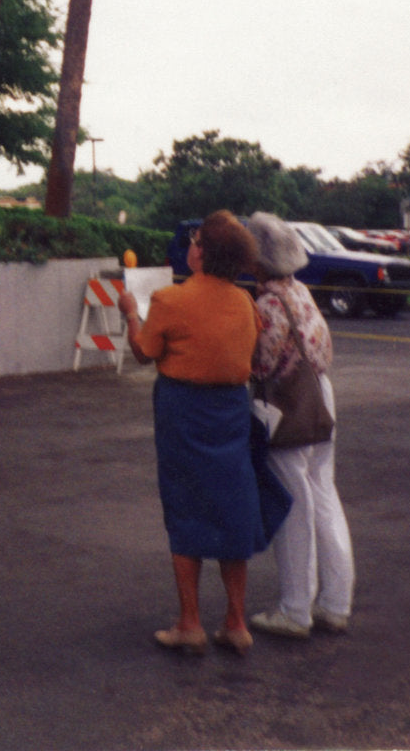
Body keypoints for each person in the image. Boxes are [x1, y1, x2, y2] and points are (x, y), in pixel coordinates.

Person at [118, 210, 278, 656]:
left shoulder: (171, 300)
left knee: (185, 506)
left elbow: (144, 353)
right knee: (233, 507)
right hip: (230, 413)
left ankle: (189, 622)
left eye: (196, 241)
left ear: (201, 253)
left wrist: (131, 314)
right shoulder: (245, 303)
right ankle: (236, 621)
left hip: (183, 412)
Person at [243, 211, 355, 638]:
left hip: (288, 402)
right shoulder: (302, 292)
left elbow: (261, 364)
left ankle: (295, 609)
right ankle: (335, 602)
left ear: (256, 261)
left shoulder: (267, 305)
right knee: (323, 493)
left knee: (293, 503)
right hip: (320, 395)